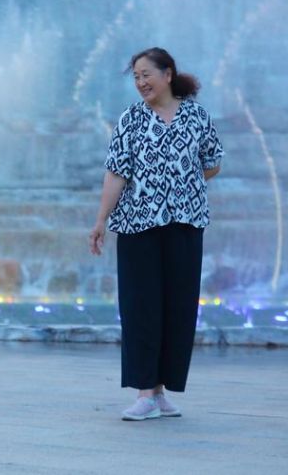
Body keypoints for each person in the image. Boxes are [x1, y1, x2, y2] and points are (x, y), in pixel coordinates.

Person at [88, 47, 224, 421]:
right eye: (136, 77)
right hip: (138, 226)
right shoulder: (130, 120)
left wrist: (183, 185)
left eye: (146, 74)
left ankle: (162, 391)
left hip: (185, 225)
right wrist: (101, 221)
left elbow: (212, 163)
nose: (141, 82)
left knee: (178, 309)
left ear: (168, 74)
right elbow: (116, 173)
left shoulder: (197, 116)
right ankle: (145, 392)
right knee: (141, 307)